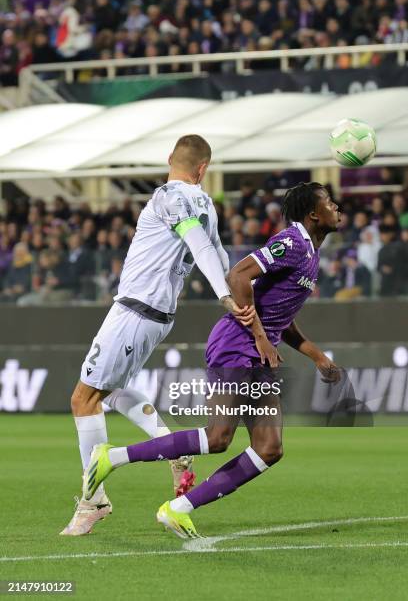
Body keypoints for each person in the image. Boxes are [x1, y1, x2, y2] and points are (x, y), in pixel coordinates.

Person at [82, 182, 342, 539]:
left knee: (269, 448)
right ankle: (111, 458)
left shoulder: (310, 253)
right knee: (218, 436)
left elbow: (280, 313)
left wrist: (317, 356)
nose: (336, 205)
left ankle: (177, 509)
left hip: (258, 350)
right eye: (329, 202)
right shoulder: (293, 242)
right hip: (237, 343)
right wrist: (261, 338)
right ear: (314, 214)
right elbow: (237, 276)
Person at [61, 134, 254, 536]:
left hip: (135, 309)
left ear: (171, 159)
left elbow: (200, 245)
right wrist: (236, 292)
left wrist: (223, 296)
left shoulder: (170, 197)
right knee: (112, 391)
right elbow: (220, 256)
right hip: (155, 315)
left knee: (84, 399)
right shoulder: (207, 204)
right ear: (203, 169)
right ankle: (173, 449)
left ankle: (92, 499)